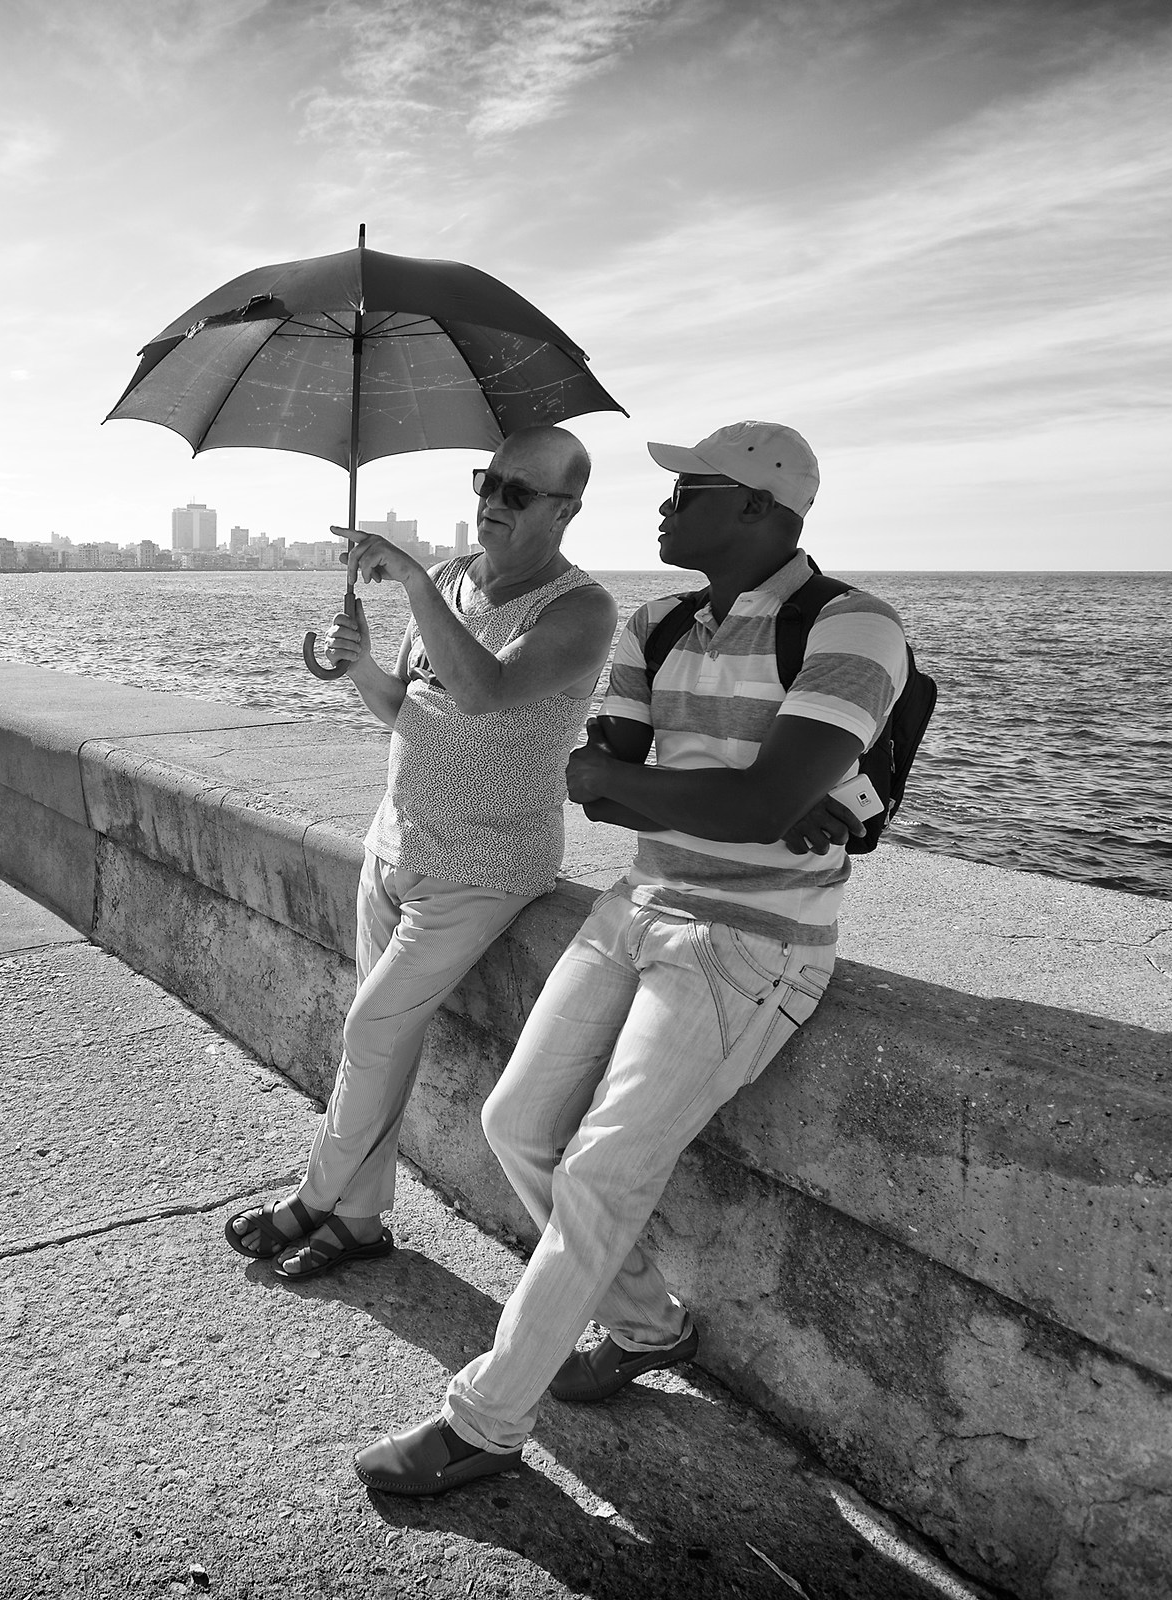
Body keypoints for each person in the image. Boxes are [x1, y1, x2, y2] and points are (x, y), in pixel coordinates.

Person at [351, 421, 911, 1496]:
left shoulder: (853, 624)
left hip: (754, 940)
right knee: (515, 1123)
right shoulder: (657, 624)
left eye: (690, 490)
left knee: (603, 1170)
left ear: (760, 509)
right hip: (638, 904)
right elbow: (593, 782)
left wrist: (733, 795)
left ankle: (483, 1422)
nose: (663, 506)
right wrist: (745, 795)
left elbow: (735, 798)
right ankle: (651, 1326)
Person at [223, 425, 617, 1282]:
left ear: (566, 510)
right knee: (383, 1041)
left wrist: (406, 579)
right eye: (488, 481)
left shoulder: (580, 610)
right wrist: (361, 664)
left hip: (486, 867)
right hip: (395, 841)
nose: (493, 501)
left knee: (370, 1026)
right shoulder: (448, 581)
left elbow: (482, 692)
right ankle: (359, 1222)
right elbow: (409, 706)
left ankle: (315, 1199)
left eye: (518, 491)